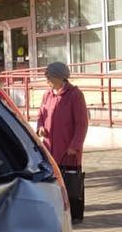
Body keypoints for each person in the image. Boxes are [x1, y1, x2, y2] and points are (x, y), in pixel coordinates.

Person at [36, 61, 89, 223]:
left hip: (68, 149)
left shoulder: (75, 95)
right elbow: (41, 114)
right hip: (50, 147)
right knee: (53, 182)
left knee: (71, 181)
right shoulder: (47, 94)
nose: (47, 79)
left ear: (60, 77)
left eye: (49, 76)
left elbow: (82, 123)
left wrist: (75, 145)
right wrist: (40, 127)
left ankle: (75, 215)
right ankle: (58, 213)